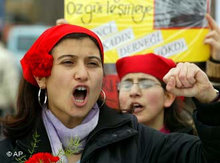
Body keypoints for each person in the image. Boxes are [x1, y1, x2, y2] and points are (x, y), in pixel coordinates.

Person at [0, 24, 220, 163]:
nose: (83, 74)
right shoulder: (10, 148)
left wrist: (209, 100)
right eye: (68, 62)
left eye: (93, 63)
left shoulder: (135, 139)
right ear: (42, 77)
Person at [116, 53, 196, 134]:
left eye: (146, 84)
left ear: (168, 97)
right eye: (126, 85)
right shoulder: (107, 143)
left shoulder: (188, 144)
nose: (134, 91)